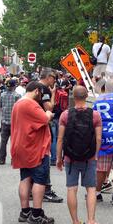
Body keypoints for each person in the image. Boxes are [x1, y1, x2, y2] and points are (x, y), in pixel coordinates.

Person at [56, 86, 107, 224]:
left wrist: (59, 158)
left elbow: (60, 139)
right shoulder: (95, 115)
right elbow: (98, 138)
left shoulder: (65, 115)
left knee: (71, 188)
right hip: (89, 157)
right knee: (91, 189)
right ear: (86, 96)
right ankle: (91, 222)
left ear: (73, 97)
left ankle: (76, 223)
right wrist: (96, 154)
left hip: (70, 158)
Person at [11, 81, 55, 224]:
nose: (41, 98)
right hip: (34, 147)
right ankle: (36, 214)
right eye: (41, 94)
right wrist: (48, 112)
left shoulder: (19, 103)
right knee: (39, 180)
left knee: (25, 178)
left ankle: (25, 211)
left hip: (21, 146)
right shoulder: (30, 104)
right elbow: (44, 119)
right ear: (37, 91)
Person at [38, 68, 63, 203]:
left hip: (34, 126)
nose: (55, 80)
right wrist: (53, 94)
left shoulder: (33, 86)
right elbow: (49, 107)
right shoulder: (45, 89)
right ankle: (46, 190)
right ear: (48, 77)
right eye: (54, 77)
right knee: (44, 158)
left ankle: (34, 188)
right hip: (44, 124)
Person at [0, 78, 21, 165]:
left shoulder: (2, 95)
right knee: (14, 142)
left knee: (3, 142)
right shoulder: (17, 96)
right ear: (14, 86)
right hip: (14, 122)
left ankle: (1, 159)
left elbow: (0, 106)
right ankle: (13, 159)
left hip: (4, 121)